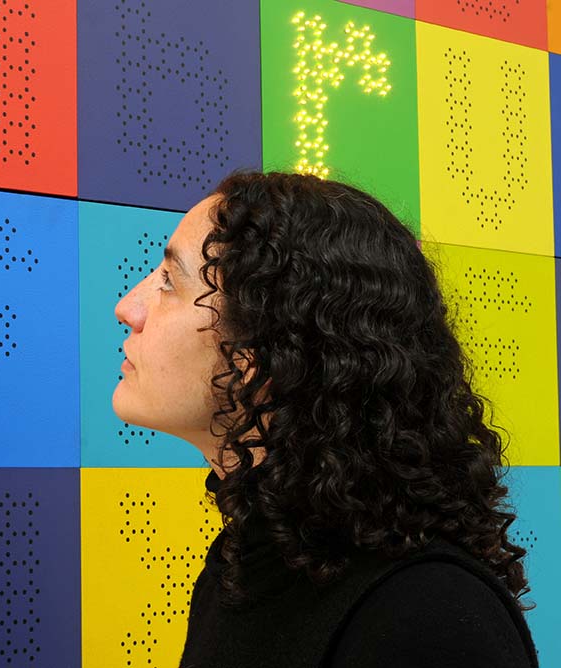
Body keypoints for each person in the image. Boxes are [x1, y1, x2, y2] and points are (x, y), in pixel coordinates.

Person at [112, 170, 539, 667]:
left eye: (169, 281)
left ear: (265, 352)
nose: (128, 308)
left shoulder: (428, 616)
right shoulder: (242, 564)